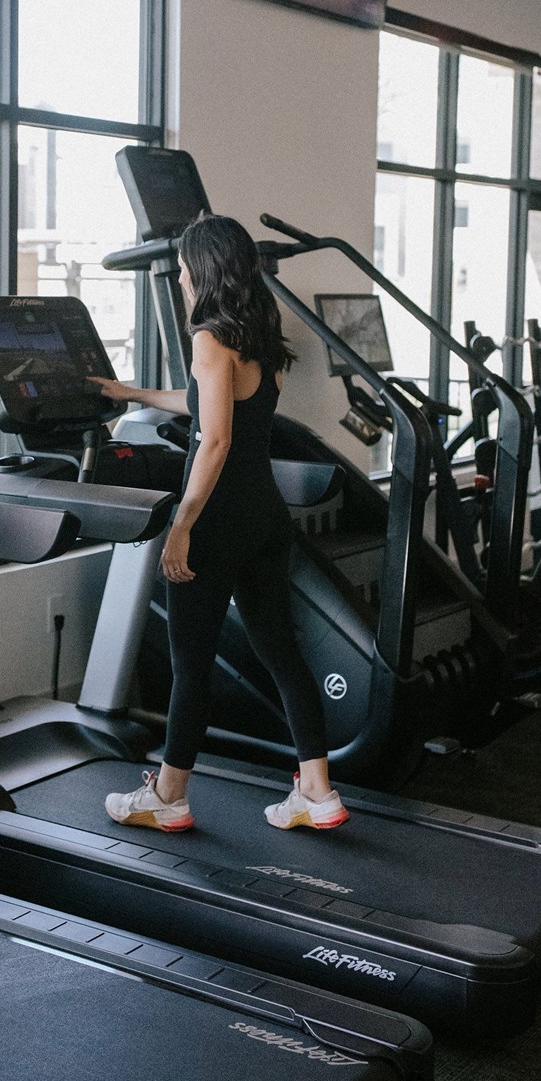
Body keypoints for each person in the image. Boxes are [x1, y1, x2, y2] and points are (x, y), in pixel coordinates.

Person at [91, 213, 348, 834]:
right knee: (282, 654)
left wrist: (182, 525)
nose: (178, 276)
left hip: (218, 520)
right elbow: (212, 400)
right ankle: (317, 792)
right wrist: (135, 394)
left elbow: (214, 440)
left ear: (202, 270)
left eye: (182, 265)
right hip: (265, 518)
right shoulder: (262, 338)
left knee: (191, 664)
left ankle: (169, 795)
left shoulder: (209, 338)